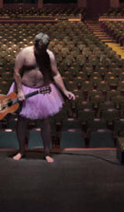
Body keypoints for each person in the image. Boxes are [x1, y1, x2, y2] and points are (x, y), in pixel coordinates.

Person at [10, 32, 75, 163]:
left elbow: (55, 74)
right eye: (40, 48)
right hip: (25, 88)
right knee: (22, 120)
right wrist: (20, 91)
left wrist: (64, 90)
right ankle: (21, 150)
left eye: (44, 48)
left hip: (43, 90)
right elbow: (16, 72)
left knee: (44, 121)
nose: (42, 50)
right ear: (35, 44)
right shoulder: (24, 53)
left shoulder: (49, 55)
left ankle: (46, 152)